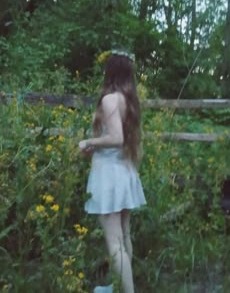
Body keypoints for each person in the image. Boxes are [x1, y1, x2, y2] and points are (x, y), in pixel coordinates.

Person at [79, 50, 146, 293]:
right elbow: (124, 138)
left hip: (109, 175)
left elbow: (116, 138)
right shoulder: (129, 100)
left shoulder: (109, 99)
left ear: (111, 70)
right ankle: (122, 287)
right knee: (124, 234)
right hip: (124, 170)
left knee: (114, 242)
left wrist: (89, 142)